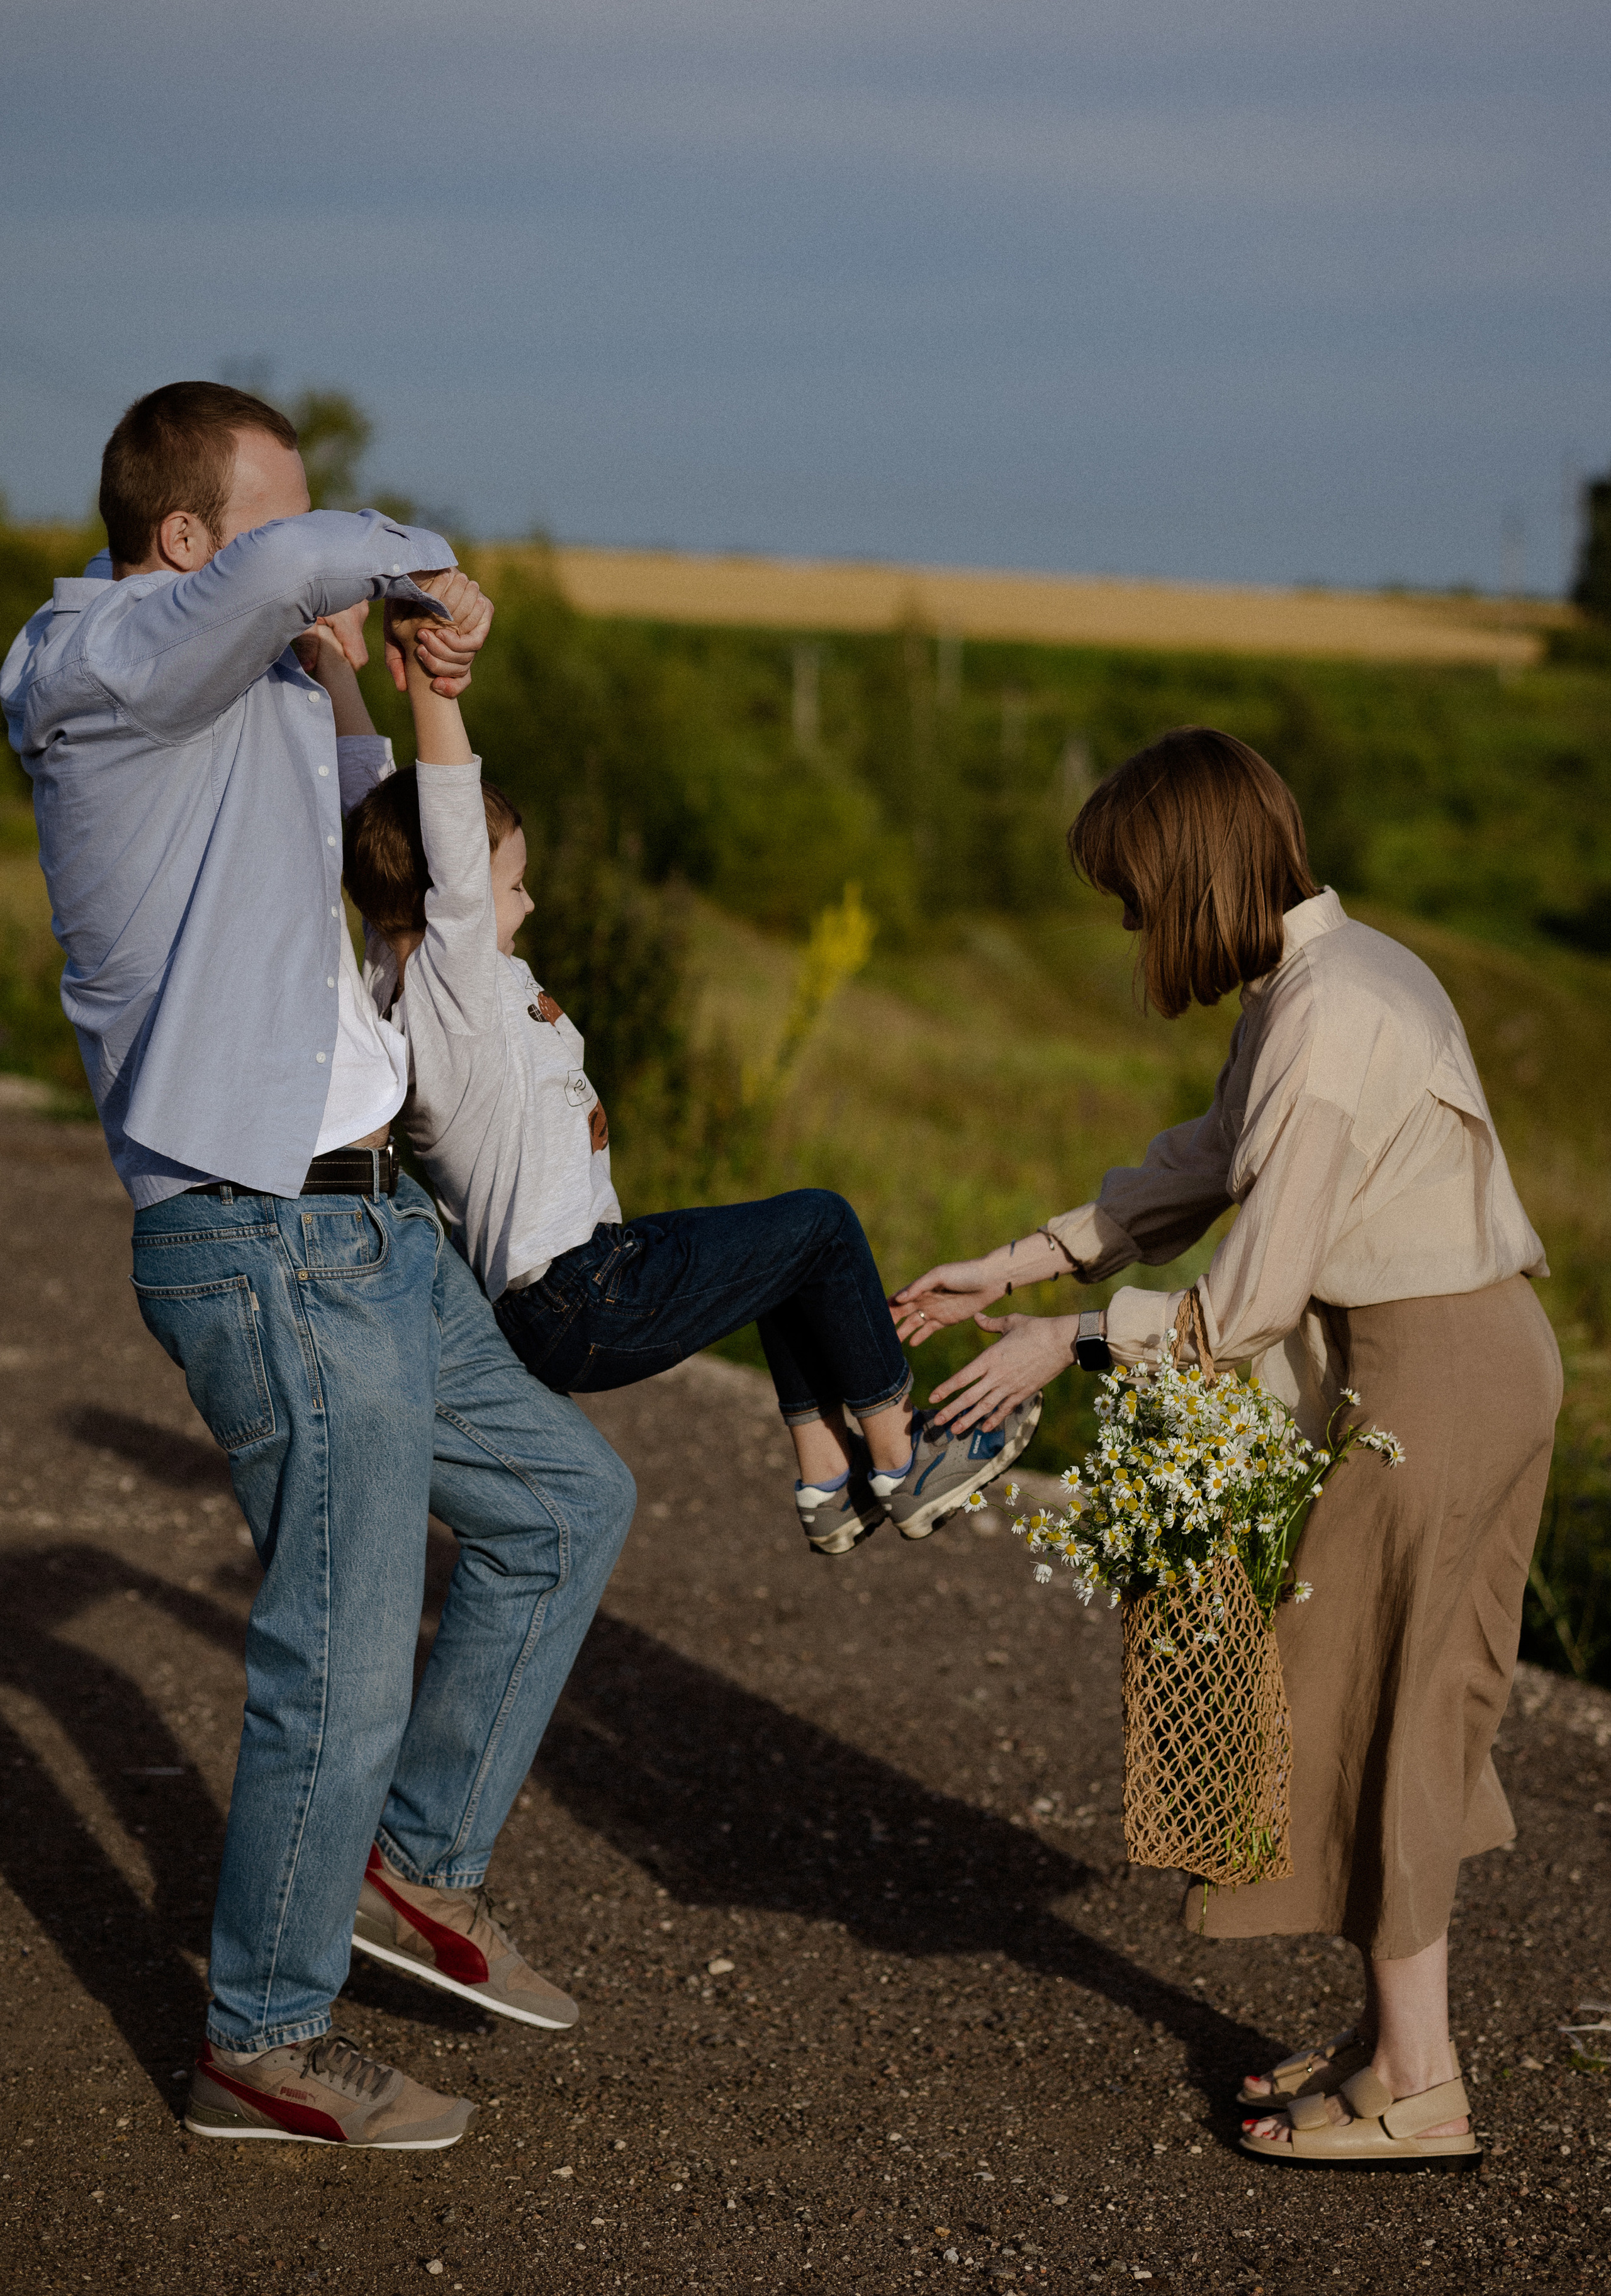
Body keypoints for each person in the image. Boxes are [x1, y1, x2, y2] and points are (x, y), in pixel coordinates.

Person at [2, 383, 636, 2151]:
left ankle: (408, 1868)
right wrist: (426, 565)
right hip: (261, 1234)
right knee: (340, 1651)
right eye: (279, 540)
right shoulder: (98, 668)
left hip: (375, 1231)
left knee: (565, 1506)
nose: (317, 591)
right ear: (191, 541)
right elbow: (305, 559)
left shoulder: (268, 688)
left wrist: (399, 676)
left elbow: (391, 858)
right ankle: (261, 2046)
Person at [890, 725, 1559, 2169]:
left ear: (1186, 877)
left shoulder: (1321, 1023)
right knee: (1407, 1705)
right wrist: (1011, 1268)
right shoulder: (1333, 975)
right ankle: (1397, 2046)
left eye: (1132, 895)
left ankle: (1418, 2086)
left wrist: (1061, 1346)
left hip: (1427, 1375)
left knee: (1360, 1709)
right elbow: (1200, 1162)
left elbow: (1248, 1300)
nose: (1130, 927)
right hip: (1473, 1359)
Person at [337, 647, 1041, 1554]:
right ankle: (906, 1461)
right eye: (511, 885)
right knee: (823, 1225)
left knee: (779, 1250)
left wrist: (330, 658)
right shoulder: (458, 983)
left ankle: (831, 1482)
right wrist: (437, 681)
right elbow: (439, 810)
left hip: (569, 1287)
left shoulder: (389, 965)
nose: (530, 902)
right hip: (582, 1293)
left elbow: (377, 804)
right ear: (458, 891)